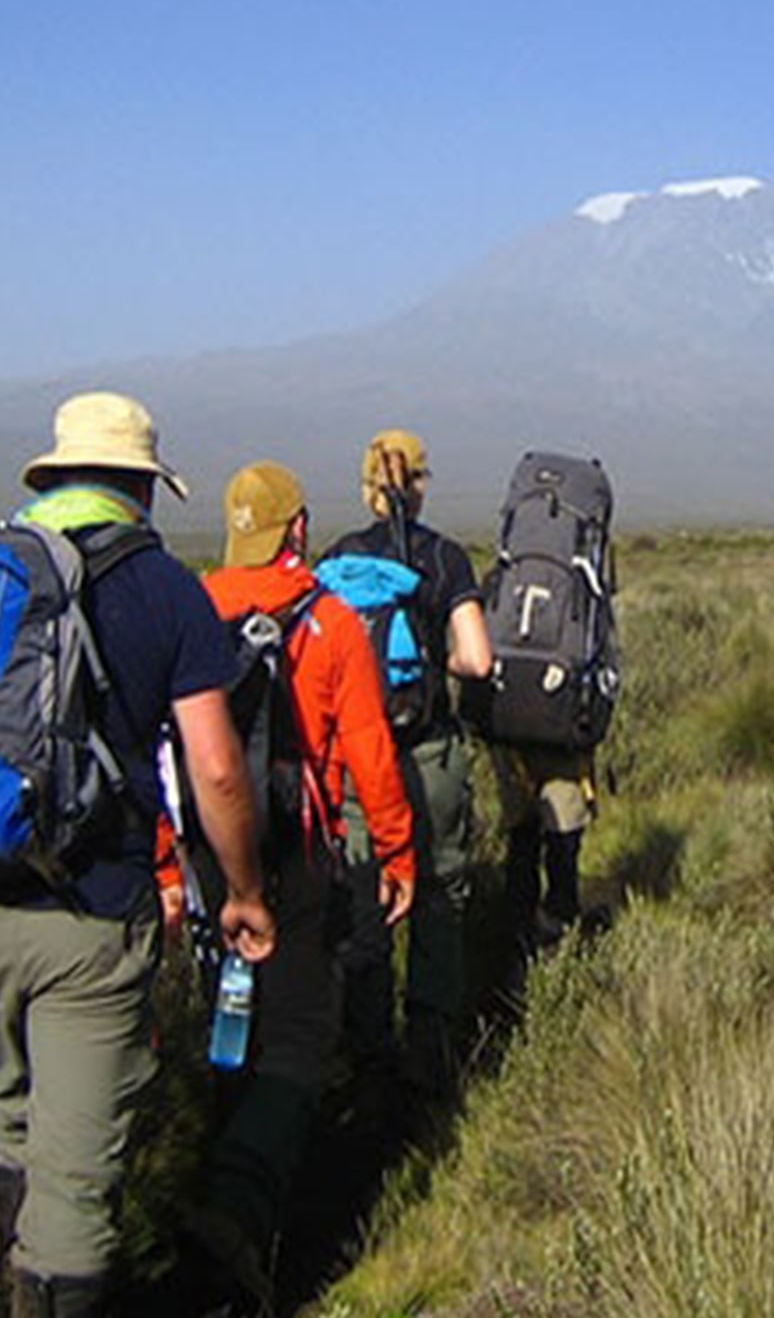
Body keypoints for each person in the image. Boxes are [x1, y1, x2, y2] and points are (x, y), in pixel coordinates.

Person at [0, 391, 275, 1318]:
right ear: (142, 488)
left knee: (5, 1137)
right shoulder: (166, 590)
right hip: (92, 915)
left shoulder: (3, 563)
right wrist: (243, 891)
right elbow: (217, 773)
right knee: (74, 1186)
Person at [178, 459, 416, 1312]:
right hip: (297, 851)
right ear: (301, 529)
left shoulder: (195, 608)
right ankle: (240, 1211)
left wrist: (173, 866)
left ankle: (212, 1167)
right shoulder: (331, 620)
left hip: (211, 849)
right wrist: (396, 855)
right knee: (302, 1033)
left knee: (227, 1009)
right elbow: (369, 754)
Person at [322, 430, 491, 1101]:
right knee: (440, 895)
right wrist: (434, 665)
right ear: (419, 484)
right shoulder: (445, 558)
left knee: (362, 896)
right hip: (430, 754)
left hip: (358, 766)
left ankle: (368, 1056)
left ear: (366, 487)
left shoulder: (337, 561)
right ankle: (430, 1047)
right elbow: (477, 660)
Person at [491, 743, 598, 958]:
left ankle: (517, 946)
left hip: (514, 746)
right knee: (562, 850)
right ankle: (558, 940)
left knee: (522, 844)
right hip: (566, 749)